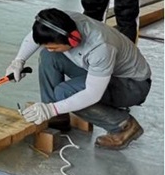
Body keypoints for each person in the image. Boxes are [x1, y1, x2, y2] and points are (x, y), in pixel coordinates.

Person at [8, 8, 151, 150]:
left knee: (64, 92)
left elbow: (92, 94)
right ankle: (57, 117)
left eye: (54, 46)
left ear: (73, 40)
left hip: (131, 85)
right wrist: (18, 61)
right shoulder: (63, 22)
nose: (51, 48)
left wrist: (52, 109)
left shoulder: (101, 48)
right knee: (48, 56)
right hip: (103, 72)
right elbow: (36, 36)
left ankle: (124, 125)